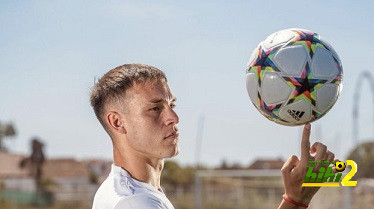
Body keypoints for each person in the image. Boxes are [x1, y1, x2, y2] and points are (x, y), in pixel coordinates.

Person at [90, 63, 336, 209]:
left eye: (172, 105)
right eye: (155, 109)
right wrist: (295, 200)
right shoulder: (133, 204)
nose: (173, 118)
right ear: (117, 122)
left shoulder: (122, 190)